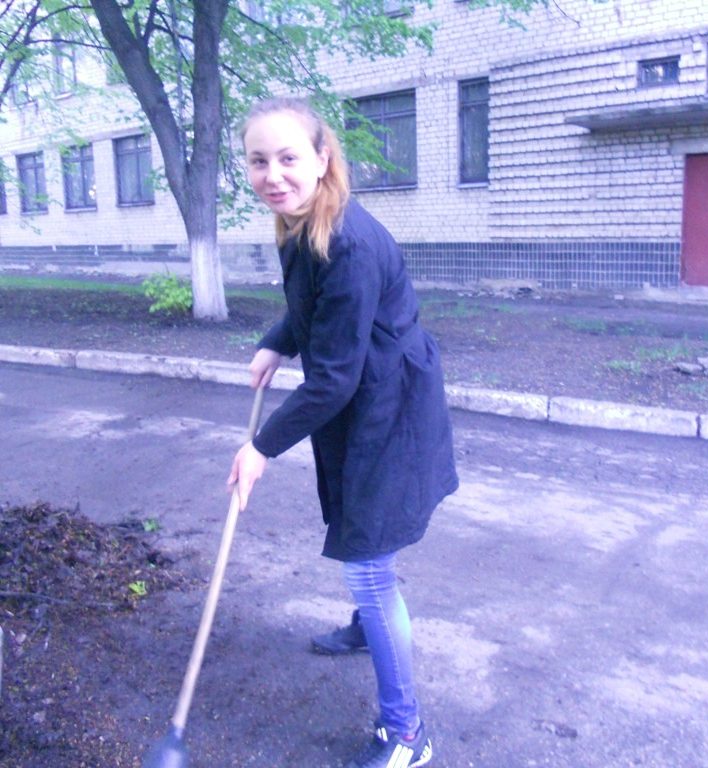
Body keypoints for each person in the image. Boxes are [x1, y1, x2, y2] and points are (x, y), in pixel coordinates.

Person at [228, 97, 458, 768]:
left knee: (367, 557)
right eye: (259, 161)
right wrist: (278, 340)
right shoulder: (302, 223)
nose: (273, 175)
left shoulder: (348, 243)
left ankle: (407, 735)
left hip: (390, 408)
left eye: (288, 158)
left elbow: (332, 380)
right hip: (364, 398)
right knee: (359, 525)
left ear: (322, 159)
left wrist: (260, 448)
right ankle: (368, 628)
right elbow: (314, 308)